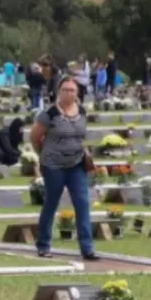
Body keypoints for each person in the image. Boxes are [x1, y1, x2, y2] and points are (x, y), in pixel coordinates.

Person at [29, 76, 98, 261]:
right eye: (66, 90)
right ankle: (43, 245)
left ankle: (87, 248)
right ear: (59, 92)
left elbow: (80, 136)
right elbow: (34, 137)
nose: (69, 93)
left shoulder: (82, 111)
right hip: (53, 166)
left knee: (82, 203)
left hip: (76, 164)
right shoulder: (49, 114)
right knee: (51, 203)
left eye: (73, 90)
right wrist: (43, 155)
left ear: (77, 93)